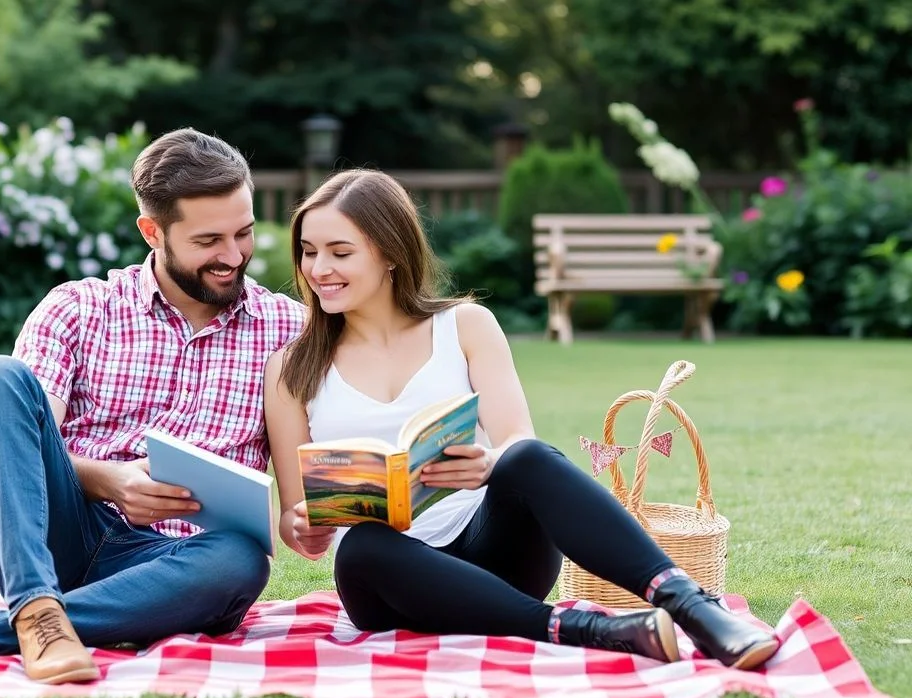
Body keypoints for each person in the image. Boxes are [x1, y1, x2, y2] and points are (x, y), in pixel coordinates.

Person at [263, 169, 780, 670]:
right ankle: (581, 630)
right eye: (309, 252)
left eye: (339, 252)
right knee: (361, 546)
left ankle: (691, 606)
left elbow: (515, 438)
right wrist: (303, 529)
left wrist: (486, 463)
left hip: (495, 551)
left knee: (527, 458)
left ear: (390, 252)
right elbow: (295, 515)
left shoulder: (464, 326)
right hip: (392, 579)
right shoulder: (292, 367)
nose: (318, 269)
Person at [0, 129, 305, 684]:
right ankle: (37, 607)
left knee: (239, 560)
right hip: (62, 537)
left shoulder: (289, 328)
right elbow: (22, 446)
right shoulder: (79, 309)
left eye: (244, 233)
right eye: (209, 240)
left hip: (179, 566)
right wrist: (110, 480)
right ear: (152, 231)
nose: (233, 256)